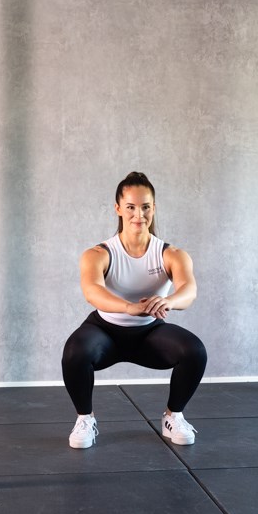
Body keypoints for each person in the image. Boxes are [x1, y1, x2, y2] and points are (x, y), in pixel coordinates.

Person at [61, 171, 207, 449]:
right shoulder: (98, 254)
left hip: (148, 334)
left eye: (145, 207)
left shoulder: (172, 254)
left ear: (154, 208)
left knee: (194, 351)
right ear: (118, 208)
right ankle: (85, 419)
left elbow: (189, 290)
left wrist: (169, 301)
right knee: (74, 352)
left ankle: (173, 416)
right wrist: (129, 307)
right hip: (104, 332)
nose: (138, 214)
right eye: (130, 207)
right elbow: (92, 291)